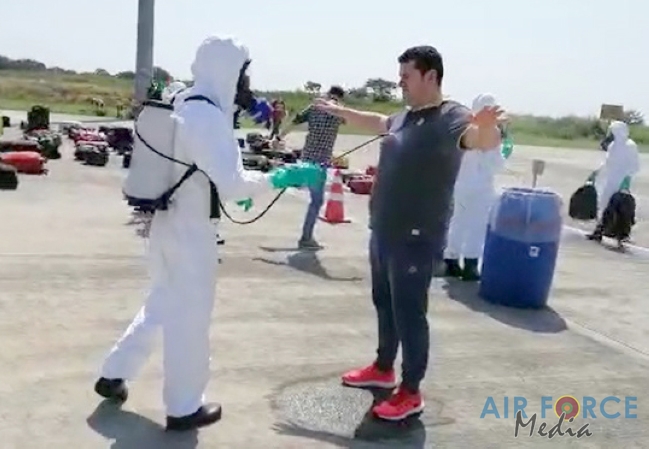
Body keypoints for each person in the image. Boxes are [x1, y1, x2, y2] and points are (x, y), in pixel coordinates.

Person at [93, 36, 323, 432]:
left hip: (165, 223)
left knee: (163, 301)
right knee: (190, 320)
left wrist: (235, 186)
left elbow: (203, 170)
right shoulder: (208, 117)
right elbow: (232, 184)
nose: (246, 84)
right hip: (191, 231)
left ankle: (114, 372)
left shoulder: (185, 101)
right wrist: (281, 177)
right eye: (243, 75)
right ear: (228, 73)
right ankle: (184, 407)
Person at [314, 46, 504, 421]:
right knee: (383, 302)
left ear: (431, 76)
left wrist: (486, 126)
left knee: (409, 312)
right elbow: (377, 121)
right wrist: (339, 111)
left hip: (417, 234)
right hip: (384, 227)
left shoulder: (451, 117)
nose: (400, 82)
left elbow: (482, 141)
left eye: (407, 76)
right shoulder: (404, 117)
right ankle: (383, 368)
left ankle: (411, 391)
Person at [444, 93, 513, 281]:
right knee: (476, 226)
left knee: (458, 222)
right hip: (481, 187)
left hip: (460, 184)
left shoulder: (466, 130)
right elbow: (495, 164)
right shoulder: (491, 133)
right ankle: (471, 263)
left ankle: (451, 259)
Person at [277, 85, 346, 249]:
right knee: (316, 201)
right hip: (320, 162)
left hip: (307, 156)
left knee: (302, 186)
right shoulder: (338, 110)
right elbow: (347, 119)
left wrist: (279, 137)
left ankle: (280, 178)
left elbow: (295, 121)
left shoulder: (314, 107)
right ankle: (306, 238)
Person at [587, 120, 640, 241]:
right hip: (609, 179)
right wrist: (596, 173)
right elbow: (608, 162)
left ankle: (622, 234)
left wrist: (627, 180)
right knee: (603, 204)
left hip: (621, 180)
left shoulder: (630, 145)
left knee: (620, 207)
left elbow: (634, 165)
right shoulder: (613, 146)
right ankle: (599, 231)